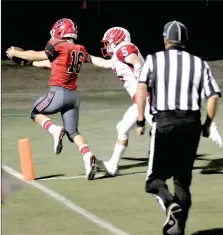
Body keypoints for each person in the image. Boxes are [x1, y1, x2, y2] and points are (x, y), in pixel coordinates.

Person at [17, 27, 153, 177]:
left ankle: (175, 161)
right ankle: (112, 165)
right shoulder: (116, 57)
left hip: (148, 99)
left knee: (162, 132)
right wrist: (87, 57)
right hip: (139, 101)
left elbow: (132, 56)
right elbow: (103, 63)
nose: (107, 46)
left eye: (109, 42)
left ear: (117, 40)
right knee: (122, 128)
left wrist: (140, 72)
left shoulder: (124, 48)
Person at [135, 20, 222, 235]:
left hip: (165, 122)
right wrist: (207, 124)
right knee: (183, 182)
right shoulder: (199, 63)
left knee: (154, 180)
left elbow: (142, 87)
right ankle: (178, 234)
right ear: (184, 41)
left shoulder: (153, 60)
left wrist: (140, 119)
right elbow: (213, 96)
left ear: (165, 39)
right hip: (191, 123)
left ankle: (169, 204)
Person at [6, 18, 98, 180]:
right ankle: (88, 156)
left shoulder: (57, 44)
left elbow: (38, 54)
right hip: (74, 96)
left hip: (59, 93)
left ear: (61, 31)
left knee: (35, 113)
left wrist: (16, 53)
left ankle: (55, 130)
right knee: (73, 132)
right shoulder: (79, 49)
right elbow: (51, 64)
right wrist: (30, 64)